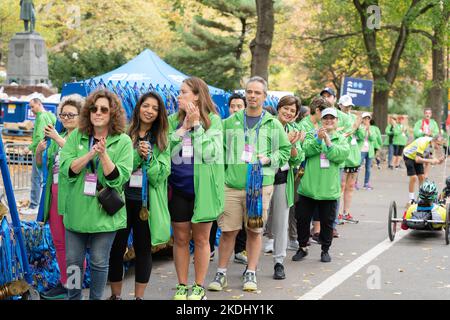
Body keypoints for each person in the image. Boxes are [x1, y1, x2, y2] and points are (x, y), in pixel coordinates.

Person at [207, 76, 291, 292]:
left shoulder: (273, 124)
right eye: (249, 92)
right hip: (232, 186)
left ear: (264, 96)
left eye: (257, 93)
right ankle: (221, 273)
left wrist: (268, 159)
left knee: (254, 231)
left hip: (260, 187)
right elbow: (218, 154)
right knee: (228, 232)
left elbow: (284, 151)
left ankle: (251, 273)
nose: (252, 96)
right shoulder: (229, 122)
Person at [59, 89, 133, 300]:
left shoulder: (123, 141)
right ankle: (73, 298)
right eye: (94, 108)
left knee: (99, 262)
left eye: (103, 109)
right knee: (73, 263)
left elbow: (119, 179)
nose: (98, 113)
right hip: (76, 211)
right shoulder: (76, 137)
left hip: (104, 215)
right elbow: (68, 169)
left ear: (112, 113)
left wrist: (104, 155)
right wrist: (90, 153)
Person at [108, 92, 171, 300]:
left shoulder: (162, 139)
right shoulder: (124, 134)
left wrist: (150, 159)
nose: (150, 111)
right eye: (146, 106)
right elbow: (116, 169)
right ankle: (116, 296)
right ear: (138, 107)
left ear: (159, 113)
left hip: (146, 204)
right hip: (121, 201)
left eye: (155, 108)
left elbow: (160, 176)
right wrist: (136, 155)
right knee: (117, 248)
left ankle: (138, 297)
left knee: (143, 250)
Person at [168, 77, 224, 300]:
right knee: (180, 239)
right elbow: (165, 148)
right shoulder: (173, 120)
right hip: (178, 189)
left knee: (201, 240)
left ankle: (199, 286)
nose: (179, 96)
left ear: (197, 95)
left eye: (183, 92)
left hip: (203, 191)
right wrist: (183, 127)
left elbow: (211, 154)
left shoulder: (215, 122)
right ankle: (182, 285)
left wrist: (197, 125)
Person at [36, 95, 84, 300]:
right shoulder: (59, 136)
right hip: (55, 196)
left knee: (75, 246)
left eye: (71, 114)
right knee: (59, 242)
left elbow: (80, 159)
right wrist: (39, 152)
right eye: (63, 114)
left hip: (75, 197)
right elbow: (41, 166)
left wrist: (57, 138)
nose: (66, 117)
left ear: (82, 116)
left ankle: (75, 285)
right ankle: (66, 282)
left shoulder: (83, 138)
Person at [292, 107, 350, 263]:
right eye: (326, 118)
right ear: (321, 120)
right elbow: (305, 151)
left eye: (332, 118)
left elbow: (340, 156)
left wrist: (328, 141)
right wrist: (318, 139)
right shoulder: (311, 135)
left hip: (328, 190)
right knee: (303, 219)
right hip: (308, 188)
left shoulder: (342, 139)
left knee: (327, 222)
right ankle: (302, 247)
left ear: (337, 121)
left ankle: (325, 249)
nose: (328, 121)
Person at [268, 95, 304, 279]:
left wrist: (292, 145)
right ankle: (250, 264)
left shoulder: (294, 130)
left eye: (292, 111)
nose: (288, 113)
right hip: (264, 178)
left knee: (281, 223)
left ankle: (279, 262)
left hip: (283, 179)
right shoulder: (266, 124)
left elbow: (297, 159)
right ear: (279, 107)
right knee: (256, 223)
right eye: (286, 108)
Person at [209, 93, 248, 265]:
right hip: (221, 179)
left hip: (240, 181)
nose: (236, 109)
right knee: (216, 218)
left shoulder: (249, 130)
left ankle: (240, 250)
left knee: (242, 220)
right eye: (233, 106)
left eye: (240, 106)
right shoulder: (222, 126)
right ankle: (209, 249)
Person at [296, 97, 331, 240]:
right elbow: (302, 147)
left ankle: (316, 230)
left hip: (319, 168)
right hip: (303, 169)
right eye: (324, 113)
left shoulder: (318, 124)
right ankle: (299, 238)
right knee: (302, 204)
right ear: (317, 111)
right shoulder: (304, 125)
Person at [22, 98, 57, 215]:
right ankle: (42, 204)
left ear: (39, 104)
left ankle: (34, 205)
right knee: (45, 179)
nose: (31, 110)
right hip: (49, 150)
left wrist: (29, 148)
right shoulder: (50, 115)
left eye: (33, 106)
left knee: (36, 179)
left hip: (40, 151)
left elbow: (38, 136)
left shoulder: (41, 117)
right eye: (30, 107)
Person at [337, 95, 362, 224]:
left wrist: (359, 126)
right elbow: (341, 135)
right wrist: (354, 128)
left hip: (354, 157)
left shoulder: (354, 118)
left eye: (350, 106)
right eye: (345, 105)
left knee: (350, 186)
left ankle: (346, 212)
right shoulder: (336, 118)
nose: (348, 108)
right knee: (340, 186)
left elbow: (361, 135)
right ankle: (338, 214)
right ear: (340, 105)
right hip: (343, 158)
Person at [403, 135, 445, 204]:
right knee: (413, 177)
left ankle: (421, 197)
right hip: (409, 156)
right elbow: (417, 160)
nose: (438, 147)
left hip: (418, 157)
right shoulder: (423, 143)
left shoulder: (432, 146)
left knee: (422, 177)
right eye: (438, 144)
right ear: (433, 141)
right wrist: (431, 161)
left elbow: (428, 160)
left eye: (440, 145)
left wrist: (438, 161)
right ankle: (411, 199)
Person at [414, 108, 439, 178]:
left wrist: (432, 134)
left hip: (429, 144)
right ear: (424, 114)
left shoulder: (433, 123)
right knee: (419, 160)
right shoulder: (419, 122)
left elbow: (436, 132)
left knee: (428, 160)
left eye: (429, 113)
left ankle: (426, 176)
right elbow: (415, 132)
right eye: (426, 113)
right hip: (420, 144)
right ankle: (419, 174)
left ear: (431, 114)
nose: (427, 114)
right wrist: (423, 133)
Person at [357, 112, 376, 190]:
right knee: (357, 167)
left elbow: (373, 138)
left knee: (368, 168)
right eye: (365, 118)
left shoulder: (372, 128)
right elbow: (361, 137)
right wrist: (365, 129)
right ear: (362, 119)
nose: (366, 120)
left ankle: (366, 183)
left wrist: (369, 131)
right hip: (361, 150)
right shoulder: (360, 127)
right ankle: (355, 183)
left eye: (368, 118)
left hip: (369, 150)